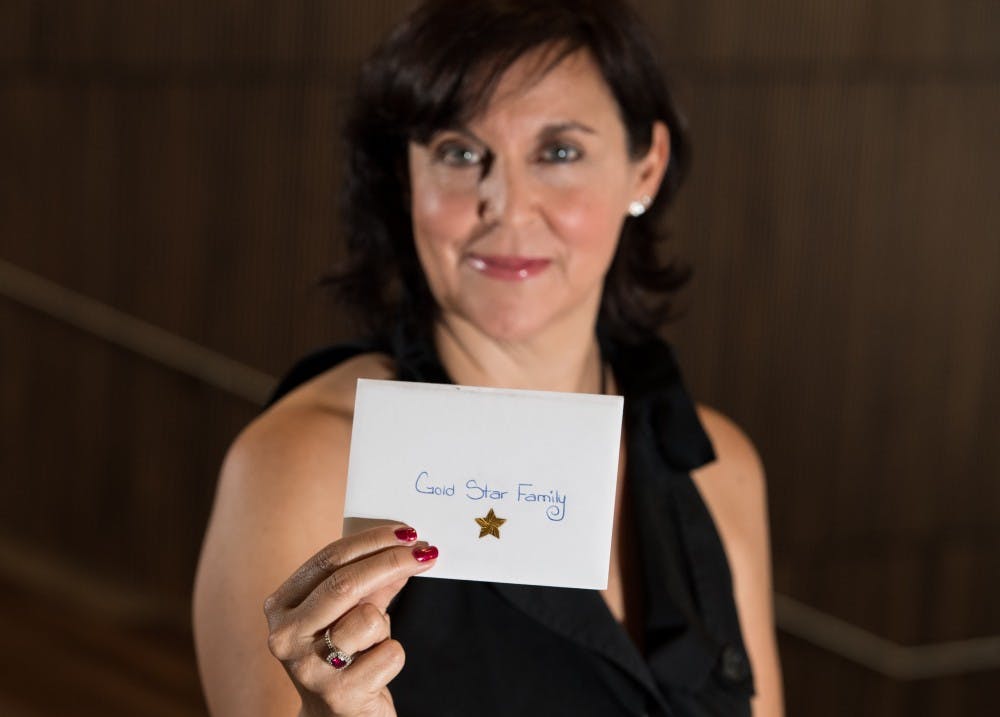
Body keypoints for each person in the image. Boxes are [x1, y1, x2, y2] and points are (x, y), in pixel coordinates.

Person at [192, 1, 784, 715]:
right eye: (460, 152)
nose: (506, 205)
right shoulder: (302, 462)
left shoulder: (719, 465)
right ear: (405, 177)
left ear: (645, 168)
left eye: (558, 151)